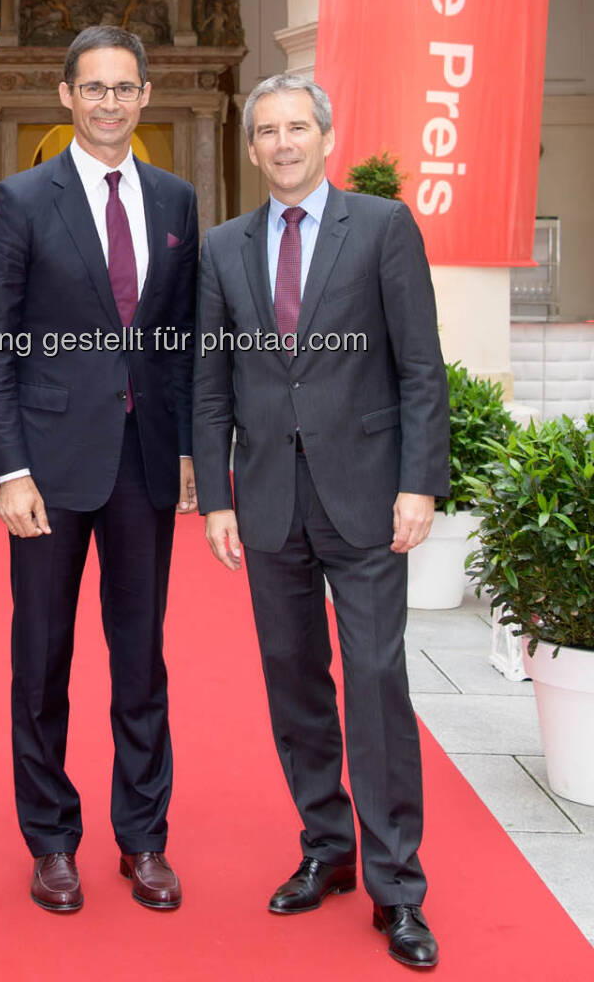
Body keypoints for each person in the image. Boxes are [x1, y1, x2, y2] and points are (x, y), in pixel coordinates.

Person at [192, 74, 449, 970]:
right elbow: (211, 380)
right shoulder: (222, 249)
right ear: (252, 147)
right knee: (294, 681)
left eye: (298, 127)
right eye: (268, 131)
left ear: (326, 136)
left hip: (370, 495)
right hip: (266, 499)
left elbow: (421, 367)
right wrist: (217, 495)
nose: (284, 143)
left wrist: (420, 485)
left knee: (376, 684)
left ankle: (398, 887)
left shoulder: (381, 228)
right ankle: (326, 848)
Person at [0, 25, 198, 914]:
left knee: (141, 662)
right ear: (67, 96)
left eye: (125, 88)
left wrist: (186, 452)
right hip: (50, 471)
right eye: (93, 87)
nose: (110, 101)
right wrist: (9, 469)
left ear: (146, 97)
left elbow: (176, 345)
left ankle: (144, 839)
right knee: (43, 659)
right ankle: (52, 840)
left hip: (144, 467)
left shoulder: (178, 202)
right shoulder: (20, 201)